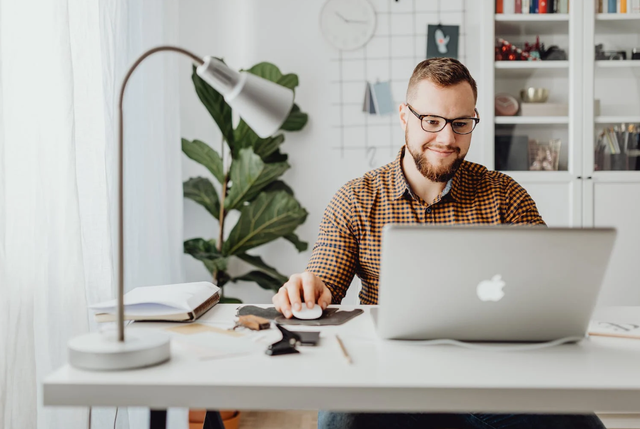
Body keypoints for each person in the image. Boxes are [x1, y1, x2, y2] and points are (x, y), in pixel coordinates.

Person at [272, 57, 605, 429]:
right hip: (388, 378)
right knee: (341, 418)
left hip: (493, 379)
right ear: (404, 117)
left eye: (461, 123)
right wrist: (308, 288)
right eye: (431, 121)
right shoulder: (356, 199)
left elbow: (552, 287)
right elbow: (323, 283)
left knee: (581, 423)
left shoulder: (505, 196)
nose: (447, 138)